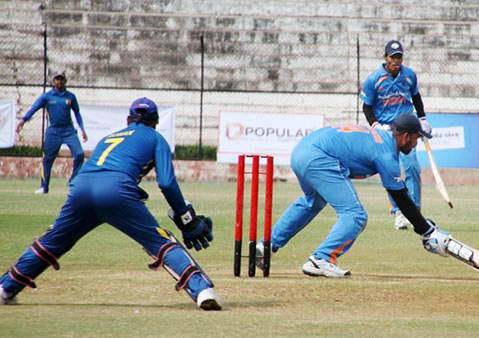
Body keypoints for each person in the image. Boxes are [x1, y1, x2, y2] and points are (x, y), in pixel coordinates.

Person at [1, 97, 222, 310]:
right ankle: (203, 292)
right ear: (155, 122)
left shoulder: (109, 137)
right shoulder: (156, 138)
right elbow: (167, 183)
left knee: (53, 241)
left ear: (128, 120)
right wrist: (186, 219)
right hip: (117, 191)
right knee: (159, 242)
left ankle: (5, 288)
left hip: (81, 189)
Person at [256, 114, 452, 277]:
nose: (416, 143)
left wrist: (423, 227)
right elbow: (400, 196)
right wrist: (426, 231)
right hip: (319, 156)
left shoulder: (382, 139)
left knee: (313, 201)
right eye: (417, 138)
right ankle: (321, 259)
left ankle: (266, 246)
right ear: (406, 136)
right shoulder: (386, 153)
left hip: (301, 151)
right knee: (355, 215)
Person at [359, 40, 432, 230]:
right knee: (391, 171)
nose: (396, 61)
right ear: (385, 57)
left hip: (407, 128)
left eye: (399, 57)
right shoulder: (374, 79)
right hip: (386, 132)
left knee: (412, 168)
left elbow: (416, 97)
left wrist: (423, 119)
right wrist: (375, 125)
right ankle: (399, 212)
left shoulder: (409, 75)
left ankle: (414, 211)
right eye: (393, 57)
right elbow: (366, 106)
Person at [15, 70, 88, 195]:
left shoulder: (70, 97)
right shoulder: (47, 97)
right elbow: (34, 108)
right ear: (53, 81)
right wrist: (22, 121)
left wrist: (82, 129)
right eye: (57, 79)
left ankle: (74, 180)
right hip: (53, 131)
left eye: (61, 79)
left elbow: (77, 114)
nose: (59, 81)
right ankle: (44, 187)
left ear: (65, 81)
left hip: (68, 130)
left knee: (80, 154)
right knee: (48, 159)